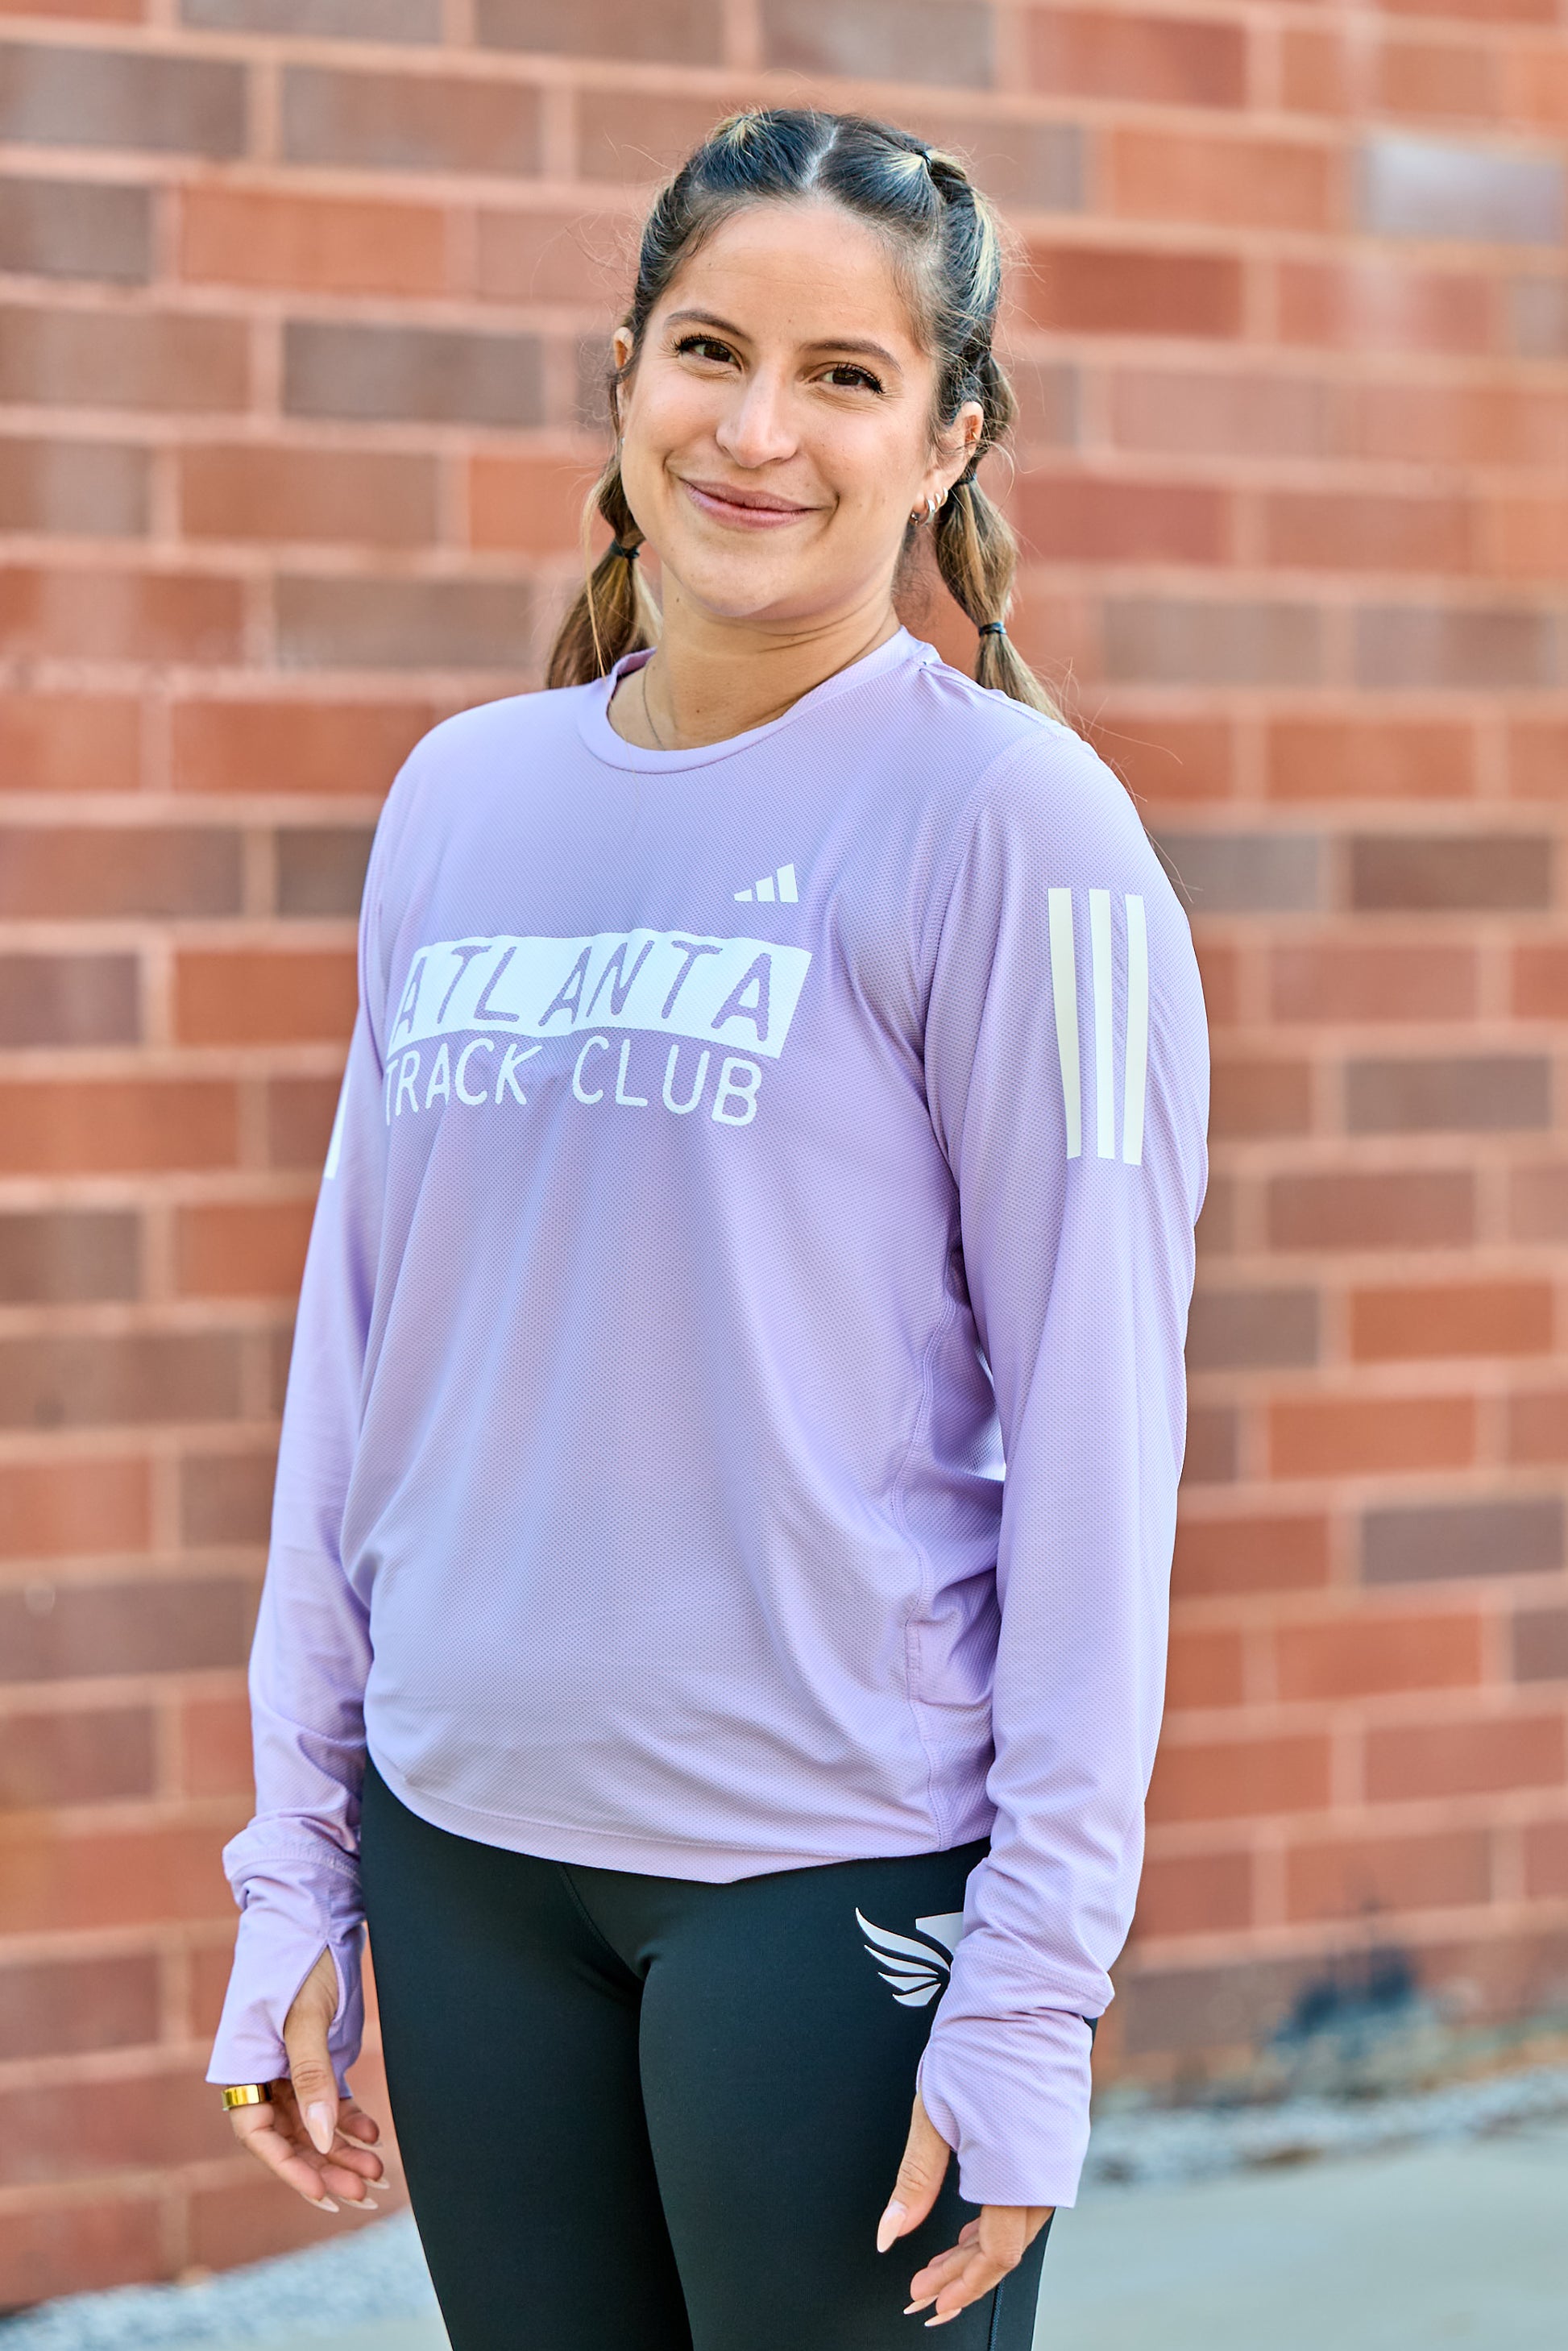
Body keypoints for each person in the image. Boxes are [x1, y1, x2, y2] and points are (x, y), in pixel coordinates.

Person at [206, 106, 1209, 2350]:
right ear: (624, 376)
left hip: (821, 1883)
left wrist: (1034, 1982)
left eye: (845, 376)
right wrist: (298, 1859)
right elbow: (355, 1356)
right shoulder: (462, 796)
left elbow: (1099, 1434)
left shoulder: (1013, 827)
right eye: (710, 351)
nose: (758, 433)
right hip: (465, 1859)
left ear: (949, 439)